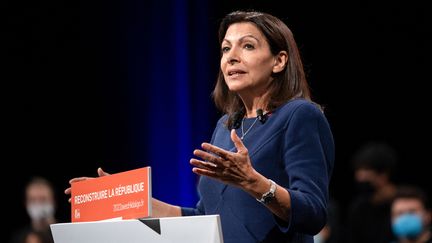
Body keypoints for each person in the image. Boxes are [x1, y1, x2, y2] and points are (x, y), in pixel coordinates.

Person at [65, 10, 335, 243]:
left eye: (248, 46)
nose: (231, 57)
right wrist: (127, 201)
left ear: (279, 61)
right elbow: (207, 218)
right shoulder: (226, 125)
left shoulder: (300, 115)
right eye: (226, 48)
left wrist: (253, 182)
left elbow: (312, 213)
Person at [345, 141, 398, 243]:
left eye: (366, 170)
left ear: (383, 175)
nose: (359, 177)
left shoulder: (403, 204)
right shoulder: (358, 207)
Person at [9, 177, 56, 243]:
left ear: (53, 201)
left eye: (43, 199)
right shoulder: (18, 238)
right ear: (26, 203)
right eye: (33, 200)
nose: (38, 204)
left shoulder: (66, 231)